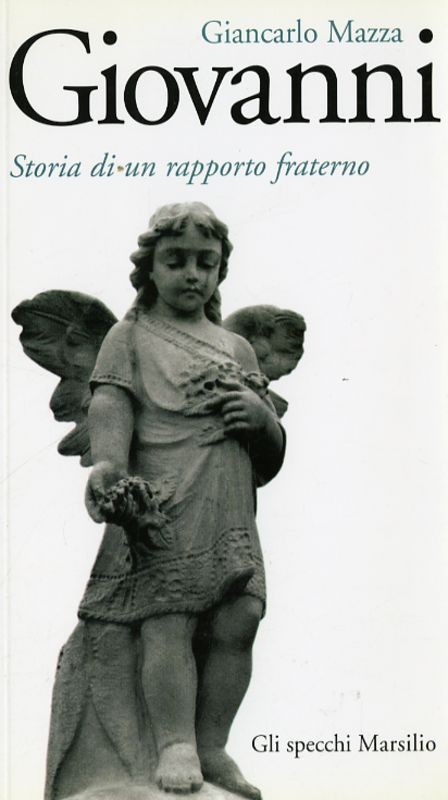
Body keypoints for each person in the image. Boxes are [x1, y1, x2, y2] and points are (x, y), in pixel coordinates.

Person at [82, 202, 286, 799]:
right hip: (167, 500)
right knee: (169, 618)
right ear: (150, 268)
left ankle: (212, 743)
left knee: (241, 618)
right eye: (176, 261)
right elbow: (110, 404)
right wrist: (108, 468)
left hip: (230, 505)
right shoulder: (130, 337)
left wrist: (263, 422)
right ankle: (175, 740)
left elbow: (269, 458)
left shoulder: (237, 349)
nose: (192, 274)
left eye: (206, 262)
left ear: (220, 270)